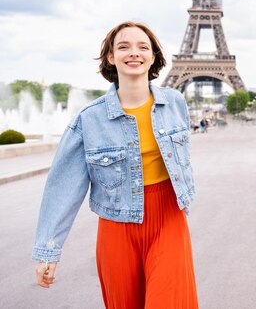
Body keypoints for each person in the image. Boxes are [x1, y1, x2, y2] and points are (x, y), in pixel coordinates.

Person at [32, 21, 198, 308]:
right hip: (116, 228)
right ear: (110, 57)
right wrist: (48, 251)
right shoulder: (89, 118)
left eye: (142, 47)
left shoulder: (175, 102)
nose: (134, 53)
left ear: (154, 56)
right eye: (123, 46)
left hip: (169, 220)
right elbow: (64, 187)